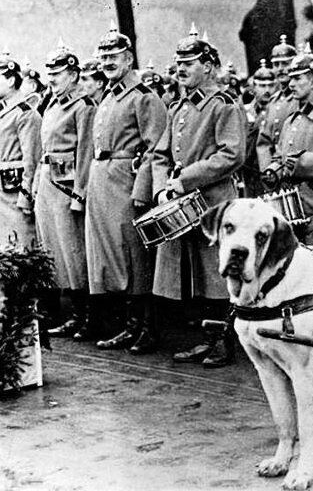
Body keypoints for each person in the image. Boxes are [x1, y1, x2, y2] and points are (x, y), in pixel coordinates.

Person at [151, 26, 246, 368]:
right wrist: (163, 187)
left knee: (216, 273)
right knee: (193, 274)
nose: (181, 69)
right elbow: (160, 154)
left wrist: (185, 180)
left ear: (207, 65)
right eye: (178, 62)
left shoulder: (223, 106)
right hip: (183, 203)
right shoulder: (178, 107)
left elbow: (232, 155)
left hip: (215, 202)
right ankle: (207, 340)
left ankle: (223, 343)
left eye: (189, 62)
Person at [87, 23, 168, 353]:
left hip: (126, 181)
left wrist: (142, 190)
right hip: (102, 178)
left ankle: (146, 328)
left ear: (129, 57)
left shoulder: (143, 98)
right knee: (111, 256)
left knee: (134, 256)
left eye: (115, 55)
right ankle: (128, 325)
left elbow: (155, 147)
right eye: (103, 55)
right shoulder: (107, 95)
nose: (107, 61)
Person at [34, 40, 96, 339]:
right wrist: (35, 186)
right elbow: (42, 150)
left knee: (73, 251)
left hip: (67, 185)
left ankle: (86, 315)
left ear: (73, 75)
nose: (52, 78)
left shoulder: (82, 107)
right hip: (48, 180)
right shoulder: (51, 105)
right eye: (50, 74)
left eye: (57, 73)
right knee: (54, 248)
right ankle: (71, 312)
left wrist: (80, 193)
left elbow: (85, 152)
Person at [261, 45, 313, 247]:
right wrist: (273, 169)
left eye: (297, 78)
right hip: (291, 211)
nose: (290, 83)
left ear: (312, 80)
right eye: (290, 78)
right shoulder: (291, 120)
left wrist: (308, 163)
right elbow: (279, 154)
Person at [0, 51, 41, 246]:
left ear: (10, 81)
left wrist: (26, 197)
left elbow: (31, 160)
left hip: (13, 195)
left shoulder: (25, 114)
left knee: (20, 247)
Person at [256, 34, 298, 171]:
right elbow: (263, 143)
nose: (280, 69)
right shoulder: (273, 101)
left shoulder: (300, 99)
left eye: (285, 63)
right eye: (276, 64)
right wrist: (268, 172)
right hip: (273, 173)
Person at [239, 60, 277, 198]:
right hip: (248, 175)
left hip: (270, 174)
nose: (267, 90)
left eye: (270, 85)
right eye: (262, 86)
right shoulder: (245, 111)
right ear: (253, 87)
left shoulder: (276, 112)